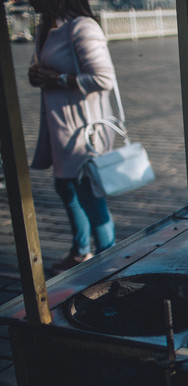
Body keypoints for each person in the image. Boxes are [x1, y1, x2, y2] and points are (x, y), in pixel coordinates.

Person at [27, 0, 117, 274]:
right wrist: (37, 74)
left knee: (89, 194)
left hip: (82, 131)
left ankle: (110, 264)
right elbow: (43, 69)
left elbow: (103, 78)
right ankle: (82, 251)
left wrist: (61, 79)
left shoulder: (82, 27)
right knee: (65, 187)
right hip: (58, 128)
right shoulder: (48, 26)